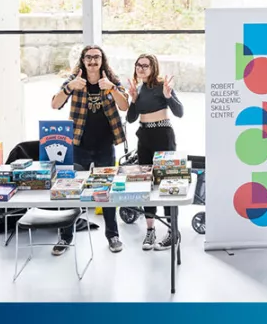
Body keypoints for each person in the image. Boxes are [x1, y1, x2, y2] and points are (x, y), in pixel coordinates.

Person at [50, 45, 130, 254]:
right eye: (89, 57)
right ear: (83, 60)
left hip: (105, 145)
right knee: (70, 190)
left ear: (102, 60)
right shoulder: (75, 80)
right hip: (78, 145)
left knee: (107, 192)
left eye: (97, 57)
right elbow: (54, 104)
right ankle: (65, 237)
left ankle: (112, 236)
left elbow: (125, 106)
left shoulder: (111, 80)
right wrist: (70, 87)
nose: (93, 61)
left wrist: (111, 88)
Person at [126, 53, 184, 251]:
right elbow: (131, 119)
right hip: (144, 138)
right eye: (138, 65)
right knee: (145, 184)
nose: (141, 68)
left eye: (145, 65)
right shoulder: (138, 89)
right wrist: (133, 100)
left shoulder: (162, 86)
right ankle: (150, 230)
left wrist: (169, 97)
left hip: (163, 136)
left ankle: (173, 231)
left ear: (153, 68)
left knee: (167, 184)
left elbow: (180, 112)